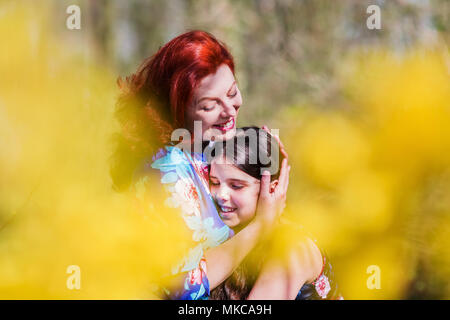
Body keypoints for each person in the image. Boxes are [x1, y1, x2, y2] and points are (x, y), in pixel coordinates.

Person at [111, 30, 290, 299]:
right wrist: (260, 225)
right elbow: (183, 289)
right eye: (210, 105)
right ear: (177, 109)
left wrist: (267, 168)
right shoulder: (166, 172)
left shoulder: (209, 149)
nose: (230, 110)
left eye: (232, 93)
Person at [208, 127, 342, 300]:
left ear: (272, 189)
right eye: (215, 182)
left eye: (236, 186)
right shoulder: (233, 237)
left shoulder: (292, 248)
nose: (220, 195)